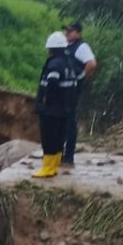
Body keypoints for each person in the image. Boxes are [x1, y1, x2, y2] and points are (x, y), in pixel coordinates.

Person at [34, 32, 80, 178]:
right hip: (65, 109)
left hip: (52, 110)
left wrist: (44, 103)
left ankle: (47, 168)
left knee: (49, 139)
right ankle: (53, 167)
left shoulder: (54, 64)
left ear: (51, 49)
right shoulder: (69, 64)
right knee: (59, 138)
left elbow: (52, 84)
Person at [61, 22, 97, 167]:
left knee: (69, 121)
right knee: (64, 120)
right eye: (66, 31)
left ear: (78, 33)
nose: (67, 34)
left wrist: (80, 78)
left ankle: (68, 156)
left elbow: (92, 64)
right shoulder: (67, 47)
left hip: (71, 90)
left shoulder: (81, 47)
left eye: (70, 31)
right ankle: (62, 154)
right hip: (64, 88)